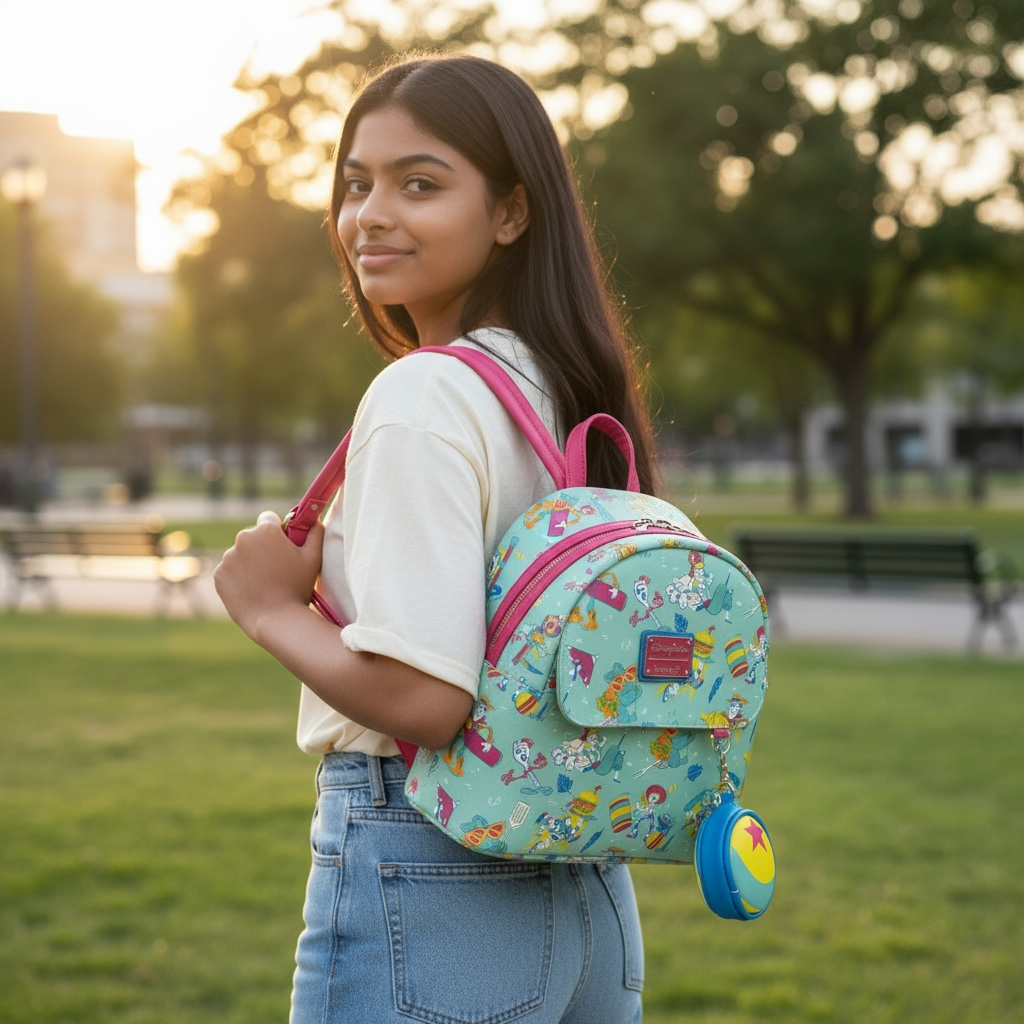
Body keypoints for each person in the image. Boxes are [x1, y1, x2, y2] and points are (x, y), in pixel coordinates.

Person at [214, 52, 659, 1024]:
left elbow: (426, 696)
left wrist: (265, 608)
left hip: (431, 855)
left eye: (420, 184)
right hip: (583, 880)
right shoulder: (566, 394)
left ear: (509, 211)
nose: (371, 213)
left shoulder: (425, 392)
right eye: (355, 184)